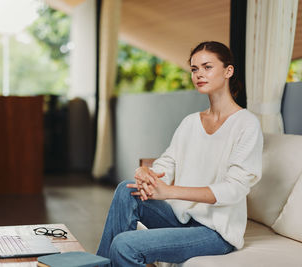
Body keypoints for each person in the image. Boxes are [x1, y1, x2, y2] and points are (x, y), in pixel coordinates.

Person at [96, 41, 263, 266]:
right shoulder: (191, 122)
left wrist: (170, 192)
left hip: (214, 232)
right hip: (181, 219)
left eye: (207, 67)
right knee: (127, 190)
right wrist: (147, 173)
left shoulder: (246, 124)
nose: (199, 74)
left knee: (125, 244)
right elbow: (167, 163)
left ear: (228, 71)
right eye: (194, 69)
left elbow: (235, 189)